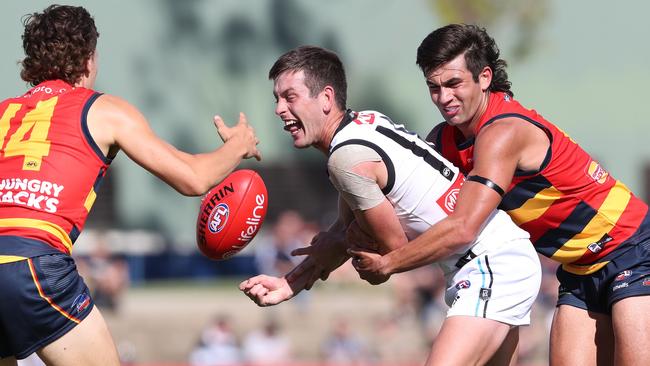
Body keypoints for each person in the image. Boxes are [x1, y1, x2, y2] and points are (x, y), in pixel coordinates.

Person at [350, 24, 650, 366]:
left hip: (634, 249)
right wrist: (311, 266)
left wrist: (389, 263)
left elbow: (463, 227)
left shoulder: (503, 132)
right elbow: (390, 182)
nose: (443, 98)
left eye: (453, 84)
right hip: (579, 269)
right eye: (433, 88)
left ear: (484, 77)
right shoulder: (444, 140)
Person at [239, 45, 541, 365]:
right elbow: (346, 228)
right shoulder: (361, 126)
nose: (279, 109)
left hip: (492, 264)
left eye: (290, 97)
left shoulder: (346, 159)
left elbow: (391, 246)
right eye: (277, 99)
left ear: (326, 98)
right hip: (494, 258)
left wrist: (355, 250)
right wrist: (290, 282)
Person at [0, 5, 260, 366]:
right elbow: (193, 178)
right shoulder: (102, 110)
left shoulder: (4, 112)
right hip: (34, 266)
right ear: (89, 59)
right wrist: (238, 145)